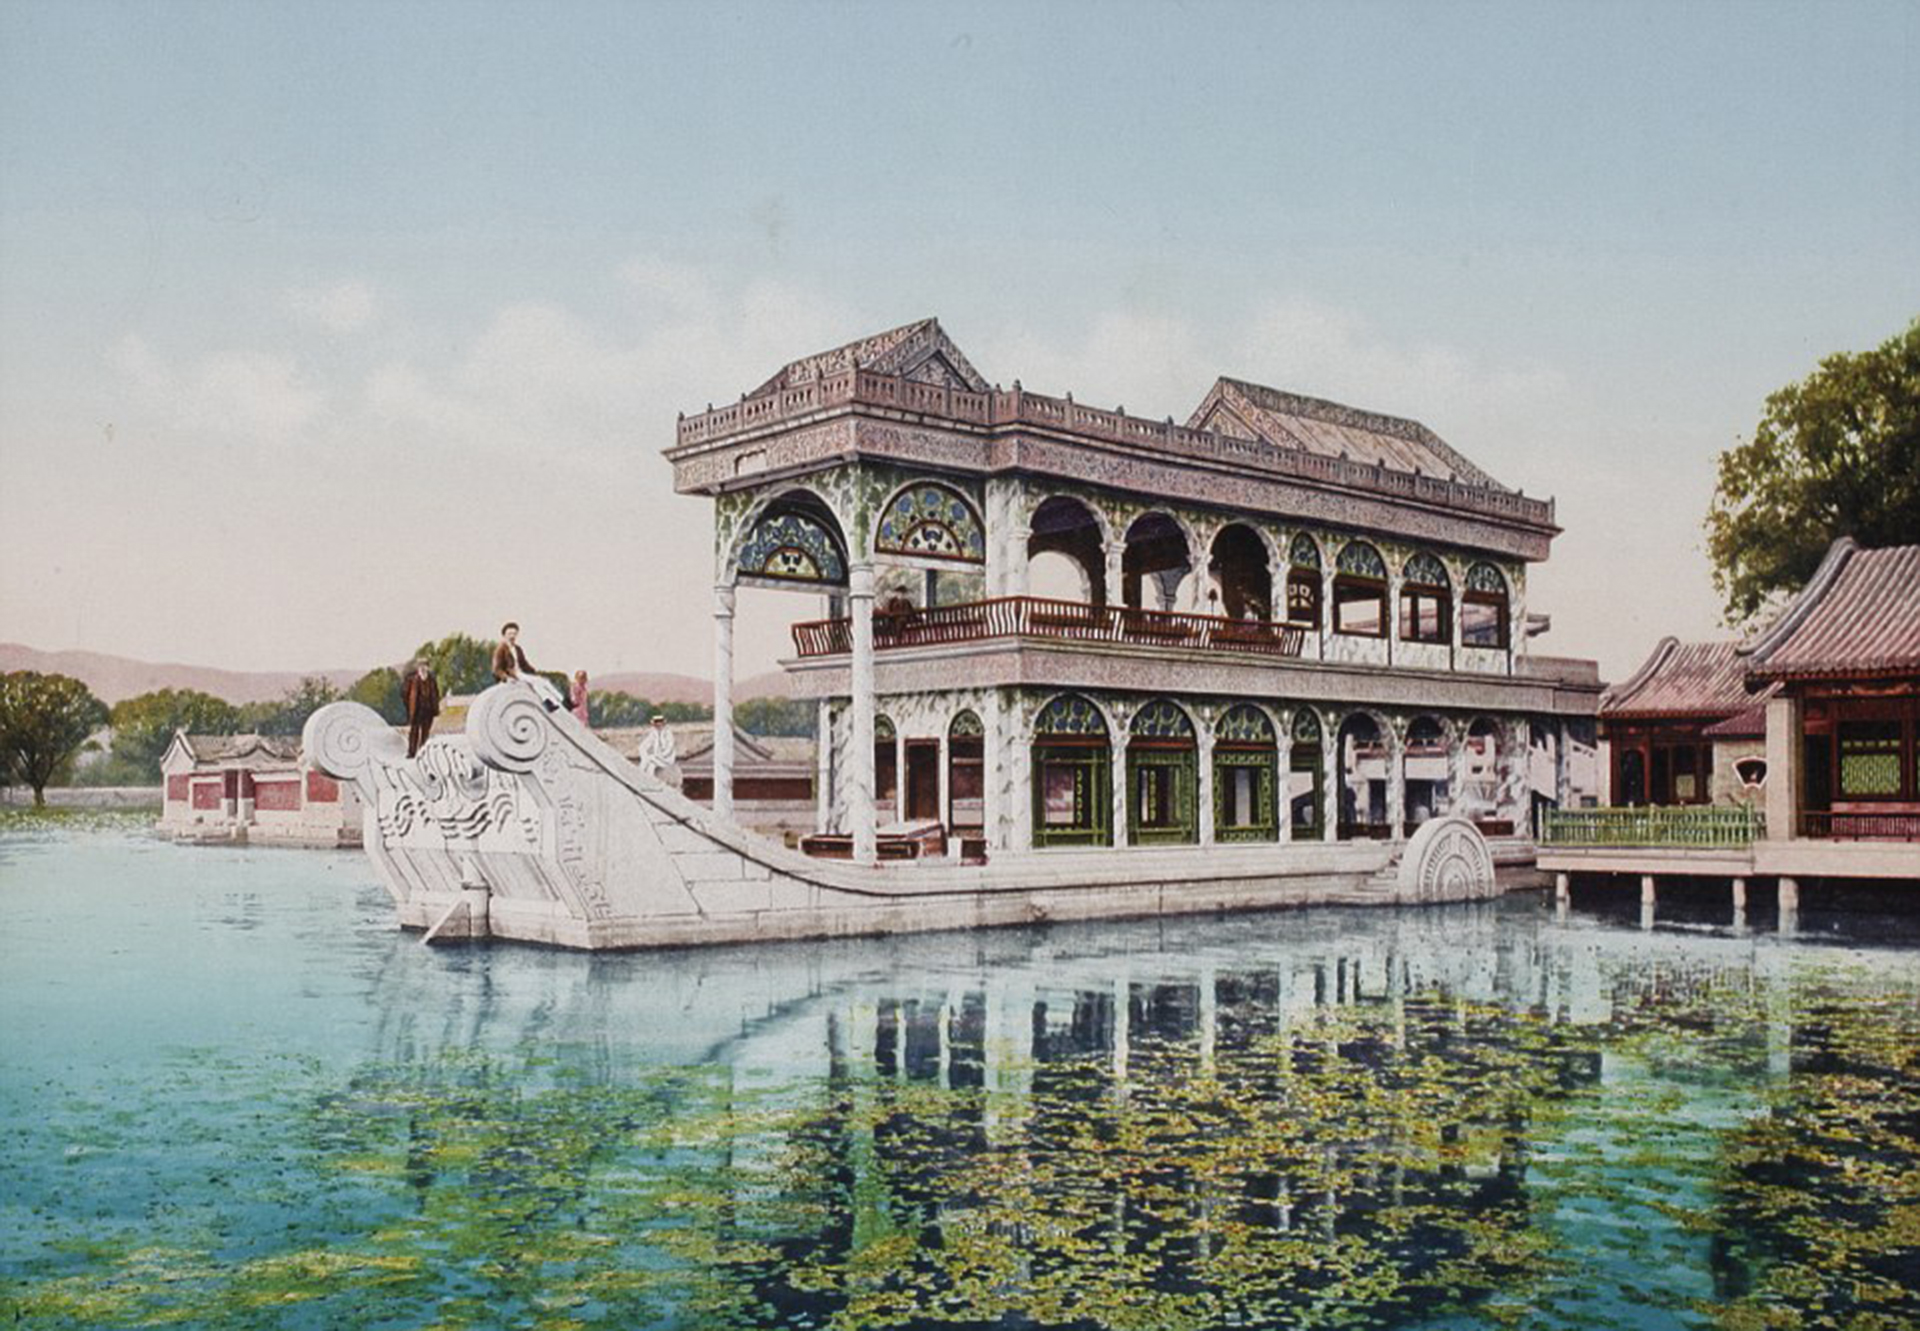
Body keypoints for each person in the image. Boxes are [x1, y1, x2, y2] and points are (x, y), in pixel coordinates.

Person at [491, 621, 565, 710]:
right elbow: (496, 669)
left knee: (542, 682)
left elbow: (524, 664)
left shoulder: (517, 649)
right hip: (513, 675)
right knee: (538, 682)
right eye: (510, 634)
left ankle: (555, 701)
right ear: (504, 635)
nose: (512, 636)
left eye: (514, 634)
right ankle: (554, 701)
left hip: (521, 674)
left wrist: (535, 672)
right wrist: (506, 678)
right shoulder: (500, 649)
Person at [401, 659, 440, 758]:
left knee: (425, 732)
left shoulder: (432, 680)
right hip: (416, 711)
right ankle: (411, 752)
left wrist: (435, 708)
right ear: (418, 668)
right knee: (414, 732)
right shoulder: (412, 680)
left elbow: (436, 694)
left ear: (428, 667)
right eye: (420, 666)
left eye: (424, 666)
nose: (422, 668)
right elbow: (405, 694)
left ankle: (423, 752)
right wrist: (409, 707)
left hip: (428, 711)